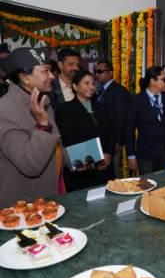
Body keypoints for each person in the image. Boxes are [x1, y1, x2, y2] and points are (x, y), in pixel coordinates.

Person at [0, 47, 62, 208]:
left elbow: (53, 145)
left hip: (50, 194)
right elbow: (29, 166)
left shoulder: (42, 100)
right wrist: (42, 125)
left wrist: (76, 161)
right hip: (24, 207)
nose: (52, 76)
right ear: (25, 78)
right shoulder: (6, 109)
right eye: (45, 71)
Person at [55, 70, 114, 191]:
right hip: (82, 172)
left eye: (93, 83)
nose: (91, 87)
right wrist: (95, 161)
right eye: (86, 83)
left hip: (105, 169)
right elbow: (69, 139)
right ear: (75, 86)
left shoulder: (101, 108)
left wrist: (108, 153)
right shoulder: (65, 110)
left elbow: (111, 133)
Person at [126, 66, 165, 174]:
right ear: (153, 81)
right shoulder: (136, 100)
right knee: (148, 185)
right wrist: (131, 155)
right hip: (147, 154)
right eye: (164, 79)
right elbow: (129, 130)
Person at [95, 60, 132, 177]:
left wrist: (118, 141)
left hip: (113, 141)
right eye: (96, 72)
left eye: (100, 71)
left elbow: (121, 118)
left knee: (114, 171)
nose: (97, 74)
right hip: (101, 139)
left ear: (110, 73)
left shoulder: (119, 91)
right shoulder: (99, 91)